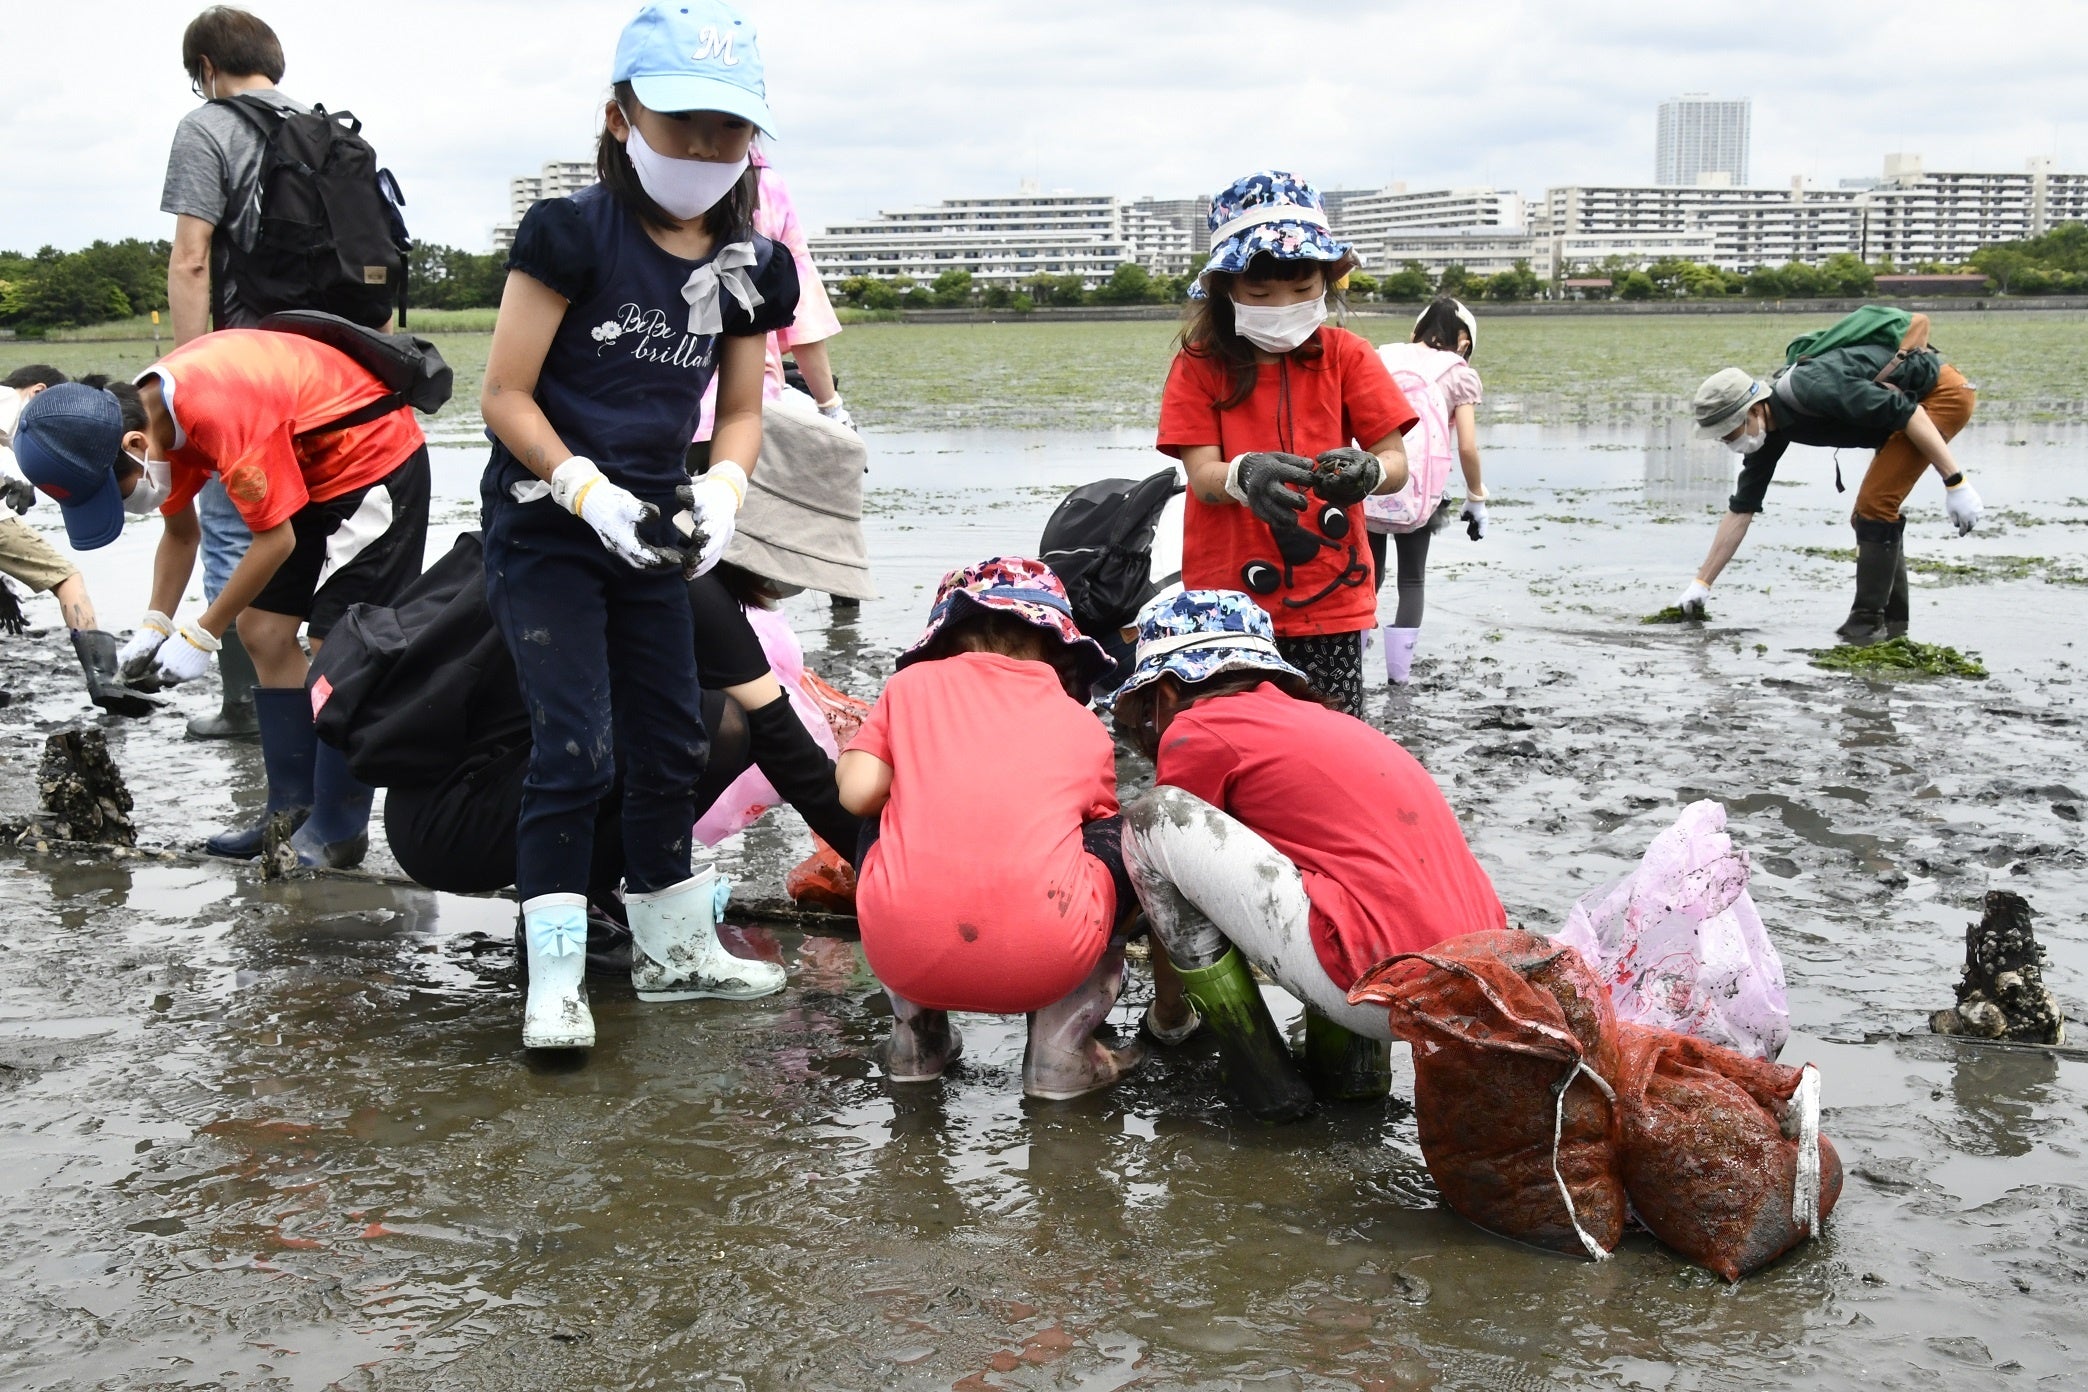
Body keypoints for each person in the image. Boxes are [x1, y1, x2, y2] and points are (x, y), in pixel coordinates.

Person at [477, 0, 800, 1052]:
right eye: (681, 123)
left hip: (658, 523)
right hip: (549, 522)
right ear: (622, 118)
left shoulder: (752, 263)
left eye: (728, 127)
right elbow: (504, 394)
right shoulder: (571, 233)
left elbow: (741, 409)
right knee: (574, 747)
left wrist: (725, 491)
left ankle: (675, 951)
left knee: (672, 739)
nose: (705, 148)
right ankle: (553, 980)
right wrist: (585, 490)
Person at [13, 331, 430, 869]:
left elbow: (274, 540)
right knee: (262, 631)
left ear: (135, 446)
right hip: (301, 468)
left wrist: (203, 634)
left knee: (339, 646)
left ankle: (338, 828)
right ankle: (291, 810)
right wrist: (155, 623)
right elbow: (181, 534)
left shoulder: (213, 414)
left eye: (115, 491)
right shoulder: (143, 415)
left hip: (370, 462)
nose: (125, 502)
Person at [1114, 589, 1508, 1122]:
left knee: (1152, 819)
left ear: (1163, 691)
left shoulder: (1197, 727)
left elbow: (1174, 866)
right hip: (1481, 983)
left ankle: (1261, 1077)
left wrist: (1167, 1018)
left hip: (1376, 987)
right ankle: (1351, 1076)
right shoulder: (1334, 724)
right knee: (1338, 870)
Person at [835, 557, 1147, 1100]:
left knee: (881, 823)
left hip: (904, 954)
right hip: (1047, 957)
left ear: (945, 640)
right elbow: (1093, 820)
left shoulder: (908, 688)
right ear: (1057, 650)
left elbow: (857, 793)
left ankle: (917, 1043)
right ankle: (1061, 1054)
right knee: (1114, 840)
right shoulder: (1079, 722)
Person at [1157, 171, 1415, 722]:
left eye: (1302, 291)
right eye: (1260, 293)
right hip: (1227, 607)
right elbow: (1202, 475)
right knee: (1232, 737)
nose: (1282, 304)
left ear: (1327, 280)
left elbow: (1396, 462)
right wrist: (1242, 474)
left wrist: (1369, 470)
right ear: (1227, 287)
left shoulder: (1348, 356)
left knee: (1332, 739)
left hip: (1330, 598)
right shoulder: (1199, 366)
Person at [161, 6, 313, 739]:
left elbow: (192, 257)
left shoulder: (207, 127)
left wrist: (191, 375)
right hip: (326, 368)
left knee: (236, 526)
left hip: (248, 367)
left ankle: (246, 704)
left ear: (206, 69)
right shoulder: (328, 129)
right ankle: (316, 689)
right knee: (313, 528)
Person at [1678, 312, 1983, 643]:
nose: (1728, 442)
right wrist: (1702, 584)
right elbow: (1742, 509)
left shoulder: (1814, 389)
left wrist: (1956, 483)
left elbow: (1910, 413)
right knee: (1868, 514)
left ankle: (1866, 627)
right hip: (1912, 410)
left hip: (1943, 395)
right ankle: (1894, 623)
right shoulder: (1769, 431)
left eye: (1728, 433)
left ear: (1753, 410)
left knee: (1874, 506)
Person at [0, 368, 159, 717]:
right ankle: (103, 678)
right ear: (38, 392)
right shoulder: (8, 400)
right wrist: (7, 475)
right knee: (66, 577)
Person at [1365, 298, 1490, 685]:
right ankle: (1398, 680)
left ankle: (1350, 667)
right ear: (1464, 341)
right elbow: (1467, 446)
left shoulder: (1381, 357)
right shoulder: (1457, 373)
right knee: (1411, 581)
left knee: (1367, 579)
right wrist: (1476, 496)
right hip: (1419, 495)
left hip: (1369, 482)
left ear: (1416, 330)